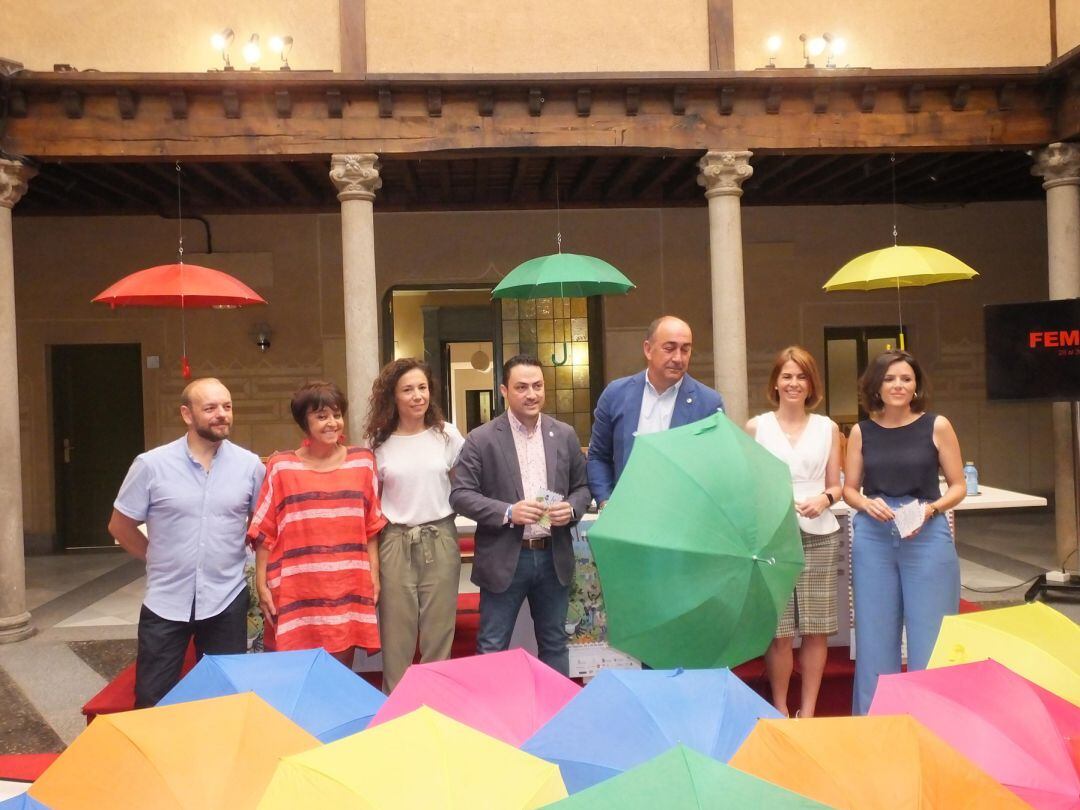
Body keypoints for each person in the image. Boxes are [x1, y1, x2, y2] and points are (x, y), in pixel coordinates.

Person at [109, 378, 264, 708]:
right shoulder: (151, 465)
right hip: (167, 600)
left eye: (227, 406)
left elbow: (261, 527)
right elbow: (120, 526)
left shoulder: (250, 466)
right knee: (152, 698)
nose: (221, 414)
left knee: (224, 698)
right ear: (187, 414)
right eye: (210, 408)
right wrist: (157, 558)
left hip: (226, 598)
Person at [449, 354, 592, 676]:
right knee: (492, 644)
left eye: (538, 386)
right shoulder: (481, 438)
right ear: (504, 390)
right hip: (504, 559)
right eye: (522, 387)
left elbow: (583, 488)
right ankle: (492, 721)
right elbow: (460, 495)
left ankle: (557, 717)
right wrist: (508, 511)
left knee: (555, 642)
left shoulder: (564, 434)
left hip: (553, 555)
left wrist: (570, 509)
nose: (532, 394)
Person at [843, 350, 966, 715]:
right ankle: (874, 723)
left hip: (925, 532)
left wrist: (932, 509)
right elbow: (850, 488)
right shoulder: (861, 431)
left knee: (931, 637)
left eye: (906, 379)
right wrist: (865, 504)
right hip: (874, 534)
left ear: (916, 386)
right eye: (890, 379)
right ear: (876, 387)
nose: (899, 385)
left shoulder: (937, 425)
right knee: (874, 639)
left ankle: (933, 724)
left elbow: (957, 485)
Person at [249, 381, 387, 667]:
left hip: (347, 583)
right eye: (321, 416)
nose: (332, 423)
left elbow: (371, 526)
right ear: (305, 422)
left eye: (336, 415)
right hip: (296, 584)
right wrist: (260, 581)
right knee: (296, 670)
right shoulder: (281, 466)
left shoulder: (363, 462)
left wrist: (374, 573)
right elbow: (265, 530)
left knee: (338, 669)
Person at [746, 346, 843, 718]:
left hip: (819, 532)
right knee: (780, 631)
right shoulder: (757, 427)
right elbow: (747, 485)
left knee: (816, 629)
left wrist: (824, 498)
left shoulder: (828, 428)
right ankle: (781, 708)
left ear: (811, 383)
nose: (793, 383)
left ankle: (809, 710)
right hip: (773, 536)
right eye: (787, 375)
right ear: (775, 381)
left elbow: (836, 486)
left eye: (801, 376)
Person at [364, 359, 465, 693]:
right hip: (395, 539)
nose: (417, 396)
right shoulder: (378, 443)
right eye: (408, 389)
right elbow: (371, 502)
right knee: (397, 632)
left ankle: (437, 705)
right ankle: (396, 705)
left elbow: (462, 485)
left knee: (439, 631)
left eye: (422, 388)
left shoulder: (446, 435)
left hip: (440, 535)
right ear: (392, 396)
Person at [587, 315, 723, 506]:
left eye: (685, 349)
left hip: (682, 515)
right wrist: (605, 500)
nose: (678, 358)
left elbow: (715, 468)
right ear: (648, 349)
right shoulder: (616, 394)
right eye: (669, 348)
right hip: (626, 513)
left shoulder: (708, 403)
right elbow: (598, 457)